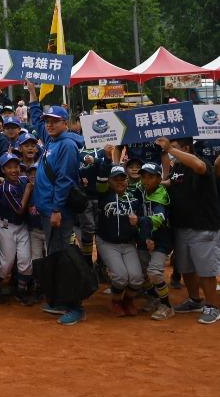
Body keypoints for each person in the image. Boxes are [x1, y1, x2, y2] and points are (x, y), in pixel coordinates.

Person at [27, 81, 87, 326]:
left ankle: (76, 306)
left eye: (54, 121)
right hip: (48, 211)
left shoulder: (67, 146)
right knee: (55, 255)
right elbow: (36, 121)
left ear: (65, 123)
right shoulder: (51, 140)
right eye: (48, 121)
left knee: (65, 257)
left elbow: (64, 180)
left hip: (58, 212)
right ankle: (62, 300)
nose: (49, 124)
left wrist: (55, 210)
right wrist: (32, 94)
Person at [158, 136, 220, 324]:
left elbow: (199, 167)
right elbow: (172, 183)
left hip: (202, 227)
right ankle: (195, 300)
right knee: (186, 267)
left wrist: (170, 149)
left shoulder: (201, 164)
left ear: (186, 148)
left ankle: (213, 307)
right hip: (182, 225)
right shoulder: (178, 167)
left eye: (176, 148)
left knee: (206, 270)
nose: (171, 152)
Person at [94, 165, 145, 317]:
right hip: (107, 243)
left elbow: (144, 218)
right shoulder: (104, 194)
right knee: (121, 277)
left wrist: (139, 222)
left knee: (136, 278)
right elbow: (100, 182)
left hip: (128, 243)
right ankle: (116, 301)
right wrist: (108, 158)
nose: (119, 182)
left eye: (122, 178)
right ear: (109, 181)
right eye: (115, 179)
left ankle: (128, 301)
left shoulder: (134, 197)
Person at [0, 153, 34, 305]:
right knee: (6, 262)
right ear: (3, 170)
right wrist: (28, 190)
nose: (14, 170)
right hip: (5, 226)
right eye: (9, 167)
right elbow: (19, 209)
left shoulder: (23, 180)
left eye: (16, 166)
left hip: (22, 225)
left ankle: (21, 291)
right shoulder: (6, 188)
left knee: (25, 261)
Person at [136, 162, 175, 320]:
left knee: (154, 272)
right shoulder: (141, 190)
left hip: (161, 240)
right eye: (143, 177)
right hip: (145, 239)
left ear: (160, 179)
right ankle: (154, 297)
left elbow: (158, 219)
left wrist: (148, 235)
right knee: (141, 271)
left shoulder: (161, 194)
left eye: (151, 177)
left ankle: (166, 305)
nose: (146, 180)